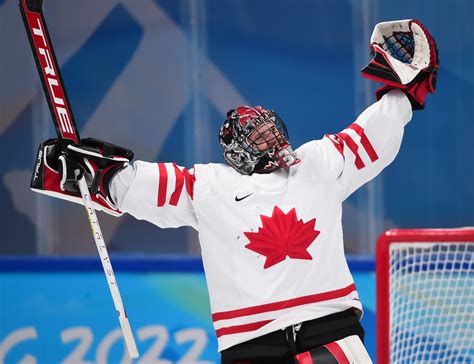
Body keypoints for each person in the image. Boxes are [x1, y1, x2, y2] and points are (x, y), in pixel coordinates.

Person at [31, 19, 438, 363]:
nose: (272, 138)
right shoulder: (210, 186)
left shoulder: (317, 162)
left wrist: (400, 92)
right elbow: (142, 185)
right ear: (237, 151)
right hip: (251, 346)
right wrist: (93, 174)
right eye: (259, 136)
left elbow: (373, 135)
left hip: (329, 332)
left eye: (271, 128)